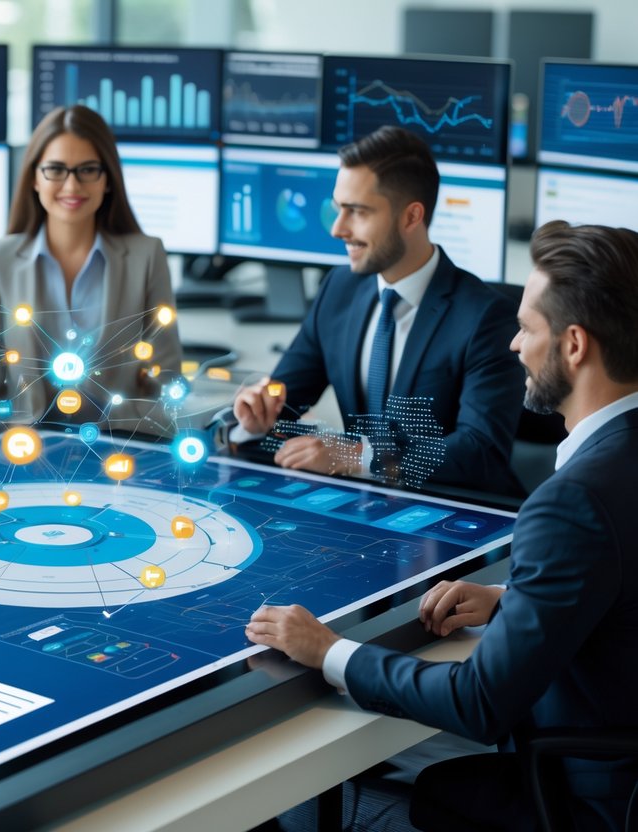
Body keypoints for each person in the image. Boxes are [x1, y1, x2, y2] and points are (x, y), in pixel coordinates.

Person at [246, 221, 638, 830]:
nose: (515, 345)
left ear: (575, 345)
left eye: (528, 328)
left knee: (353, 799)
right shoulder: (614, 466)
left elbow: (478, 702)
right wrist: (512, 599)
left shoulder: (572, 502)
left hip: (592, 800)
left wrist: (329, 650)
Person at [229, 125, 524, 496]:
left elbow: (481, 453)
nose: (338, 229)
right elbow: (283, 406)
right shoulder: (338, 289)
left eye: (357, 212)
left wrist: (359, 457)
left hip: (448, 511)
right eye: (338, 209)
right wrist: (253, 420)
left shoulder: (486, 318)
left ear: (411, 217)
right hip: (359, 506)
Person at [0, 104, 182, 427]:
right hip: (24, 446)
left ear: (108, 179)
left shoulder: (146, 256)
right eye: (56, 169)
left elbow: (166, 382)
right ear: (34, 178)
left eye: (88, 170)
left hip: (119, 444)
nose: (72, 186)